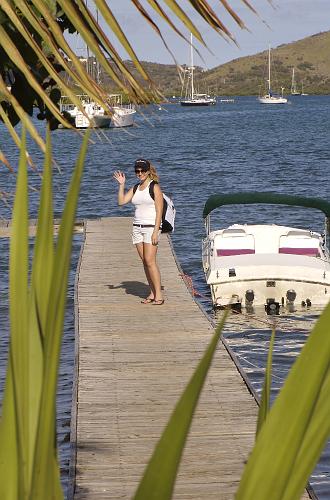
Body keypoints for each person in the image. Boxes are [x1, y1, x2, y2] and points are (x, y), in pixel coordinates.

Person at [113, 158, 164, 305]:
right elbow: (121, 201)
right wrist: (122, 185)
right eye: (137, 171)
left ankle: (159, 294)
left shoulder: (154, 187)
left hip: (150, 228)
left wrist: (156, 231)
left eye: (142, 170)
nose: (139, 173)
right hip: (137, 228)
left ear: (148, 171)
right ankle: (152, 292)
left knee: (150, 261)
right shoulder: (135, 188)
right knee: (144, 262)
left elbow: (159, 210)